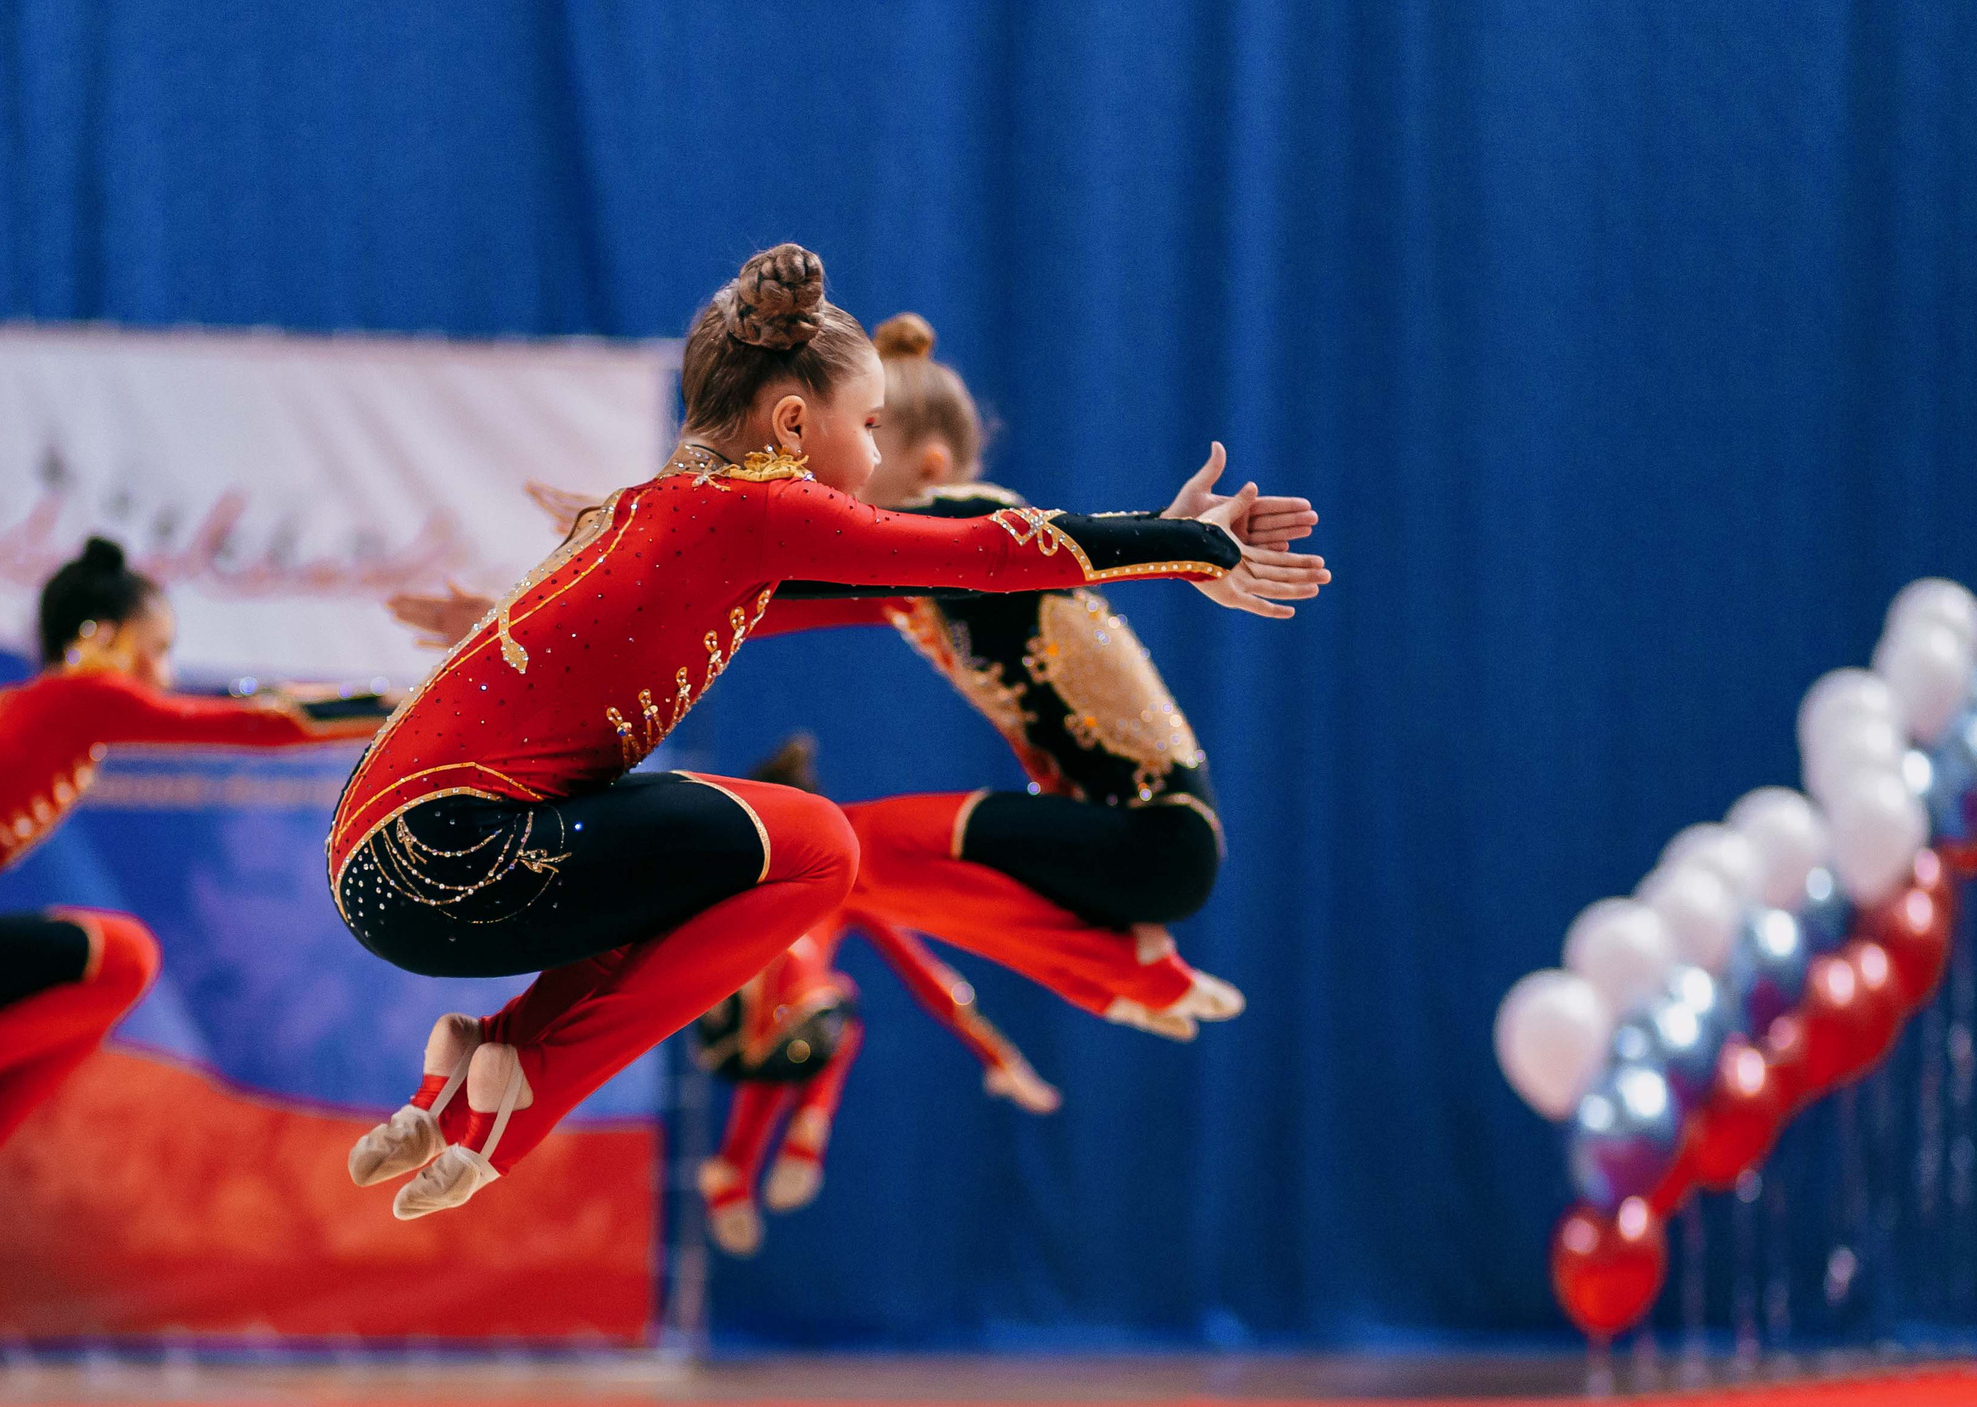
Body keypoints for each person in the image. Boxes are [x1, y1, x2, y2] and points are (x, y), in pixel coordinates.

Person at [331, 242, 1326, 1223]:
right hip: (459, 853)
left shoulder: (650, 511)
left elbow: (792, 598)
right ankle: (532, 1083)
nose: (873, 461)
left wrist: (1171, 540)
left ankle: (476, 1069)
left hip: (384, 859)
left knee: (717, 864)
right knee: (821, 847)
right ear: (794, 424)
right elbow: (983, 551)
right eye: (868, 426)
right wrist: (1189, 545)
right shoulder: (760, 506)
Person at [752, 312, 1320, 1038]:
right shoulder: (916, 579)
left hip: (1152, 838)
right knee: (854, 871)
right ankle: (1119, 978)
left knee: (846, 845)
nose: (827, 478)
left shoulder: (972, 521)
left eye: (862, 440)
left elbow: (1065, 540)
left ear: (929, 468)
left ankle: (1128, 973)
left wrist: (1176, 538)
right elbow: (768, 599)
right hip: (1109, 842)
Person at [0, 538, 384, 1235]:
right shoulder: (79, 698)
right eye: (154, 649)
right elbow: (259, 724)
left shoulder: (55, 711)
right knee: (127, 955)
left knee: (101, 987)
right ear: (99, 637)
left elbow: (241, 704)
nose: (163, 673)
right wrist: (401, 706)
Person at [691, 735, 1059, 1256]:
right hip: (763, 1031)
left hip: (742, 1043)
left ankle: (734, 1166)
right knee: (830, 1002)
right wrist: (997, 1054)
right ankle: (803, 1131)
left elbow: (921, 972)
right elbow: (925, 975)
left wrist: (997, 1053)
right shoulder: (814, 878)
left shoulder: (777, 878)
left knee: (792, 1030)